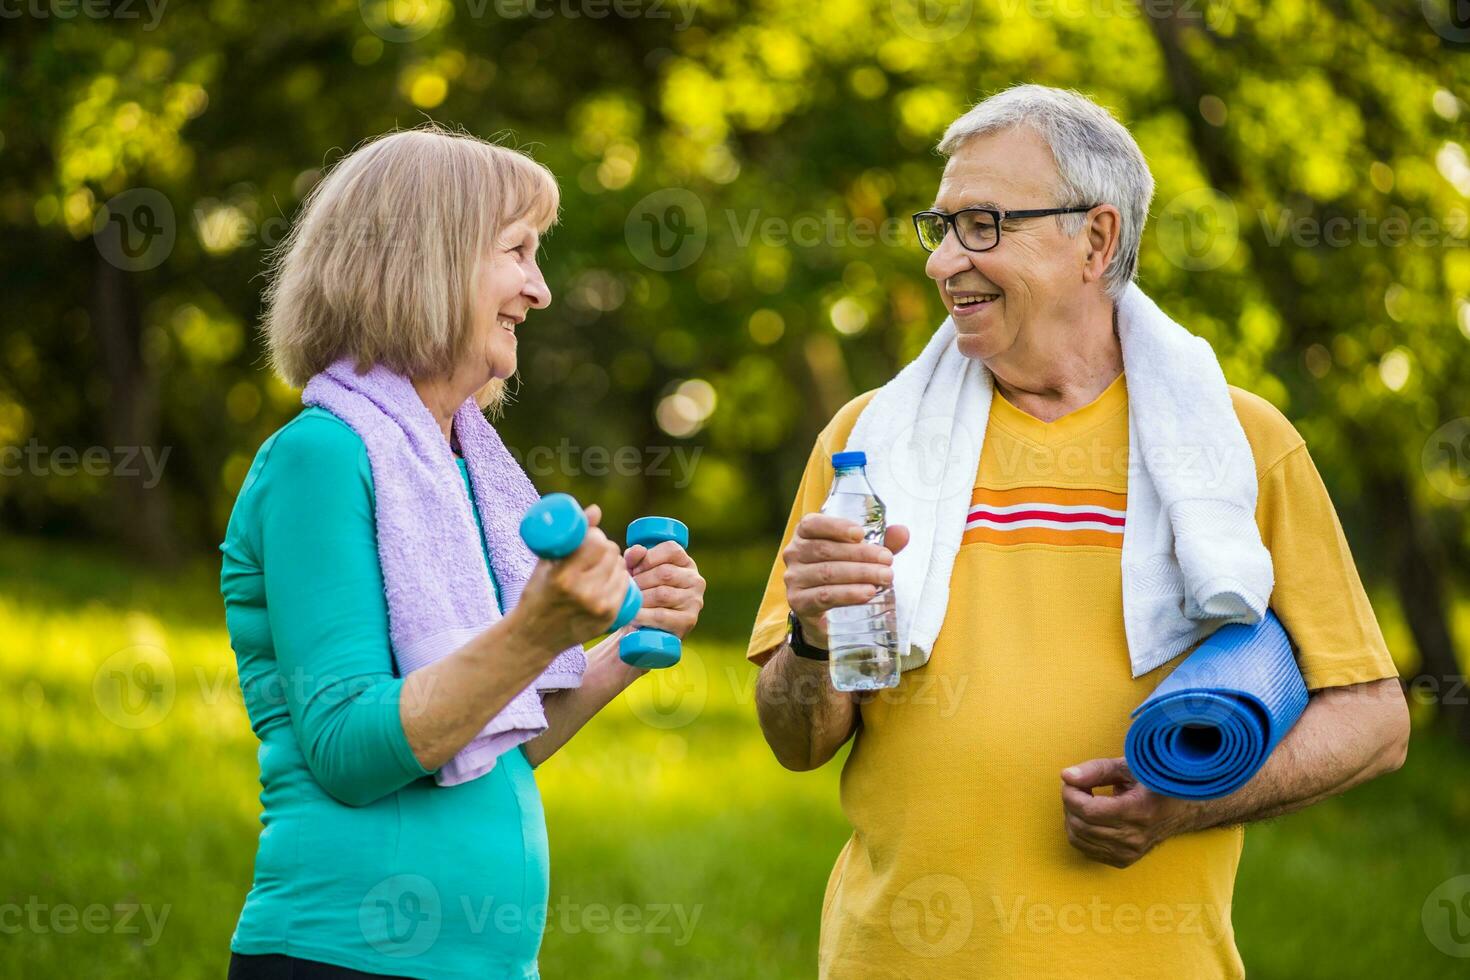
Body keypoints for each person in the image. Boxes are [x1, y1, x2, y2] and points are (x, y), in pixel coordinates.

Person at [747, 85, 1408, 978]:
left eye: (982, 225)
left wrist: (1187, 804)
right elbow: (797, 743)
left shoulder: (1239, 445)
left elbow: (1374, 719)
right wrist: (815, 637)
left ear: (1095, 239)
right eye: (939, 228)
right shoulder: (866, 446)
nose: (945, 263)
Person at [220, 125, 706, 979]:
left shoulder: (455, 474)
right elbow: (350, 748)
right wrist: (536, 629)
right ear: (425, 260)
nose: (541, 290)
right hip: (345, 957)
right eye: (518, 251)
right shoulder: (321, 458)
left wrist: (618, 645)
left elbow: (487, 740)